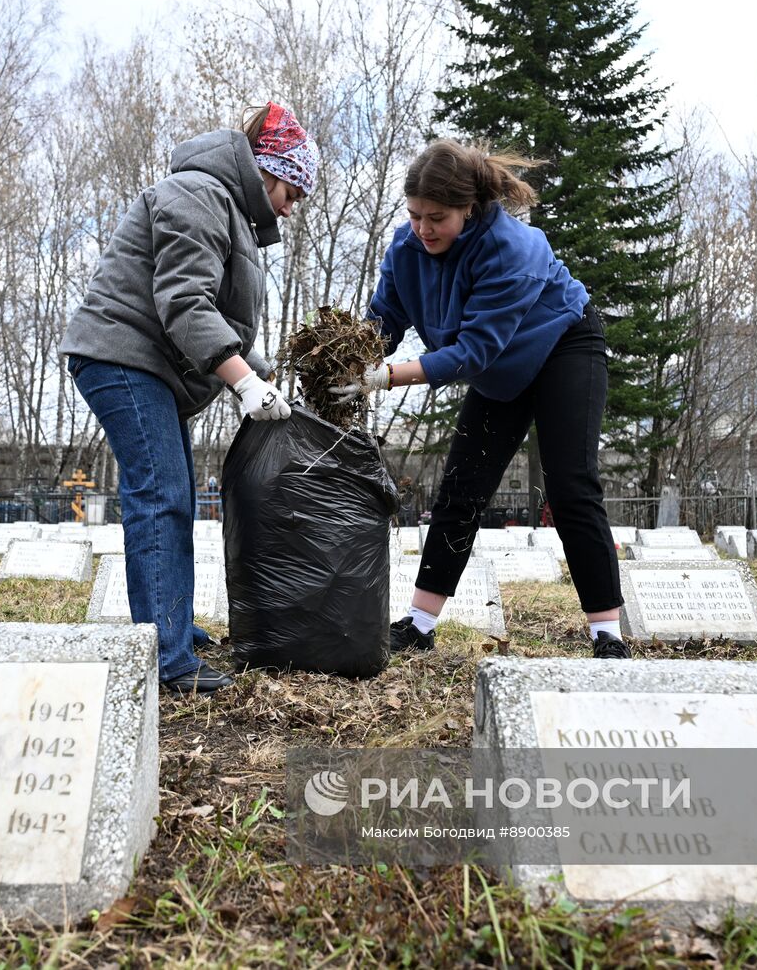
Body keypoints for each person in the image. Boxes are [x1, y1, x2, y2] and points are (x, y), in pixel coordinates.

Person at [60, 103, 319, 693]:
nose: (290, 207)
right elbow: (184, 303)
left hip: (148, 365)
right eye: (292, 192)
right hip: (122, 356)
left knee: (171, 495)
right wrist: (243, 383)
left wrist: (263, 376)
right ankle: (167, 658)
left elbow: (220, 322)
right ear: (268, 170)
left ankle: (171, 627)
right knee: (161, 497)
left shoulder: (223, 205)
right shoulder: (198, 193)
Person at [333, 139, 627, 658]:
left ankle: (607, 633)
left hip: (564, 347)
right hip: (501, 370)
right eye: (414, 215)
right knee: (461, 489)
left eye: (437, 218)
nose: (423, 229)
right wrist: (347, 358)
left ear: (468, 208)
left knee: (571, 486)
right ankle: (419, 624)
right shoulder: (405, 250)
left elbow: (473, 352)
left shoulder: (512, 249)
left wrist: (387, 377)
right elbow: (384, 321)